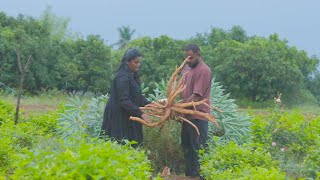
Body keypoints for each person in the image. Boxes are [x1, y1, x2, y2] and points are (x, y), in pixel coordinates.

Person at [101, 48, 150, 148]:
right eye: (136, 62)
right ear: (127, 62)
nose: (138, 65)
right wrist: (141, 113)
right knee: (120, 144)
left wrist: (150, 104)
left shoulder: (132, 76)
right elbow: (124, 100)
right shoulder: (122, 77)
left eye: (139, 62)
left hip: (129, 114)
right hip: (119, 116)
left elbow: (137, 95)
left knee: (133, 145)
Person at [180, 44, 212, 178]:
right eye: (186, 58)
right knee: (187, 147)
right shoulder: (187, 68)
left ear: (199, 54)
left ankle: (200, 176)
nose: (188, 60)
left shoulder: (203, 70)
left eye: (191, 57)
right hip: (187, 116)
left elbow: (196, 96)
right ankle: (190, 175)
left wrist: (178, 107)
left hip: (199, 117)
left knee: (198, 148)